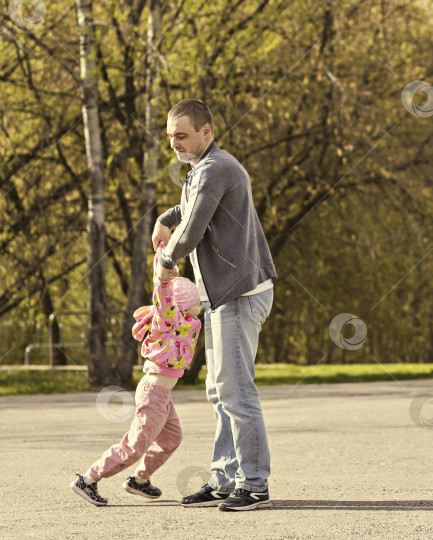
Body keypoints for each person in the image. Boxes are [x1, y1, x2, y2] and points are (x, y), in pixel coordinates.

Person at [152, 99, 277, 512]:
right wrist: (165, 217)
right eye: (170, 136)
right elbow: (190, 209)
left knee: (236, 391)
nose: (174, 143)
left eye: (182, 135)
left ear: (207, 131)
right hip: (222, 295)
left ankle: (254, 484)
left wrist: (166, 262)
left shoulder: (215, 167)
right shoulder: (203, 169)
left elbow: (193, 229)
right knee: (219, 391)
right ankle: (225, 479)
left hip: (239, 294)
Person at [71, 246, 202, 506]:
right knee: (134, 447)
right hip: (154, 393)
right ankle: (88, 479)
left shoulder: (187, 321)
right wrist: (162, 276)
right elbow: (164, 297)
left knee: (172, 438)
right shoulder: (169, 319)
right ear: (186, 305)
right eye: (199, 302)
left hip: (164, 395)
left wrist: (166, 251)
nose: (202, 306)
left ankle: (139, 480)